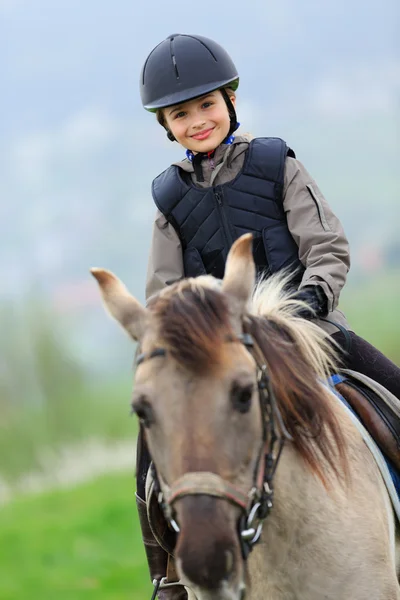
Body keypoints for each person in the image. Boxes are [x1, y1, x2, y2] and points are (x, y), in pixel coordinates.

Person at [137, 33, 400, 598]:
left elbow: (327, 248)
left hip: (308, 331)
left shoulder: (275, 163)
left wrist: (308, 303)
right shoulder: (169, 201)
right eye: (181, 114)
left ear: (231, 100)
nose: (197, 121)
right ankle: (166, 573)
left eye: (206, 104)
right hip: (220, 352)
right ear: (166, 125)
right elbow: (163, 293)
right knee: (152, 444)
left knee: (392, 393)